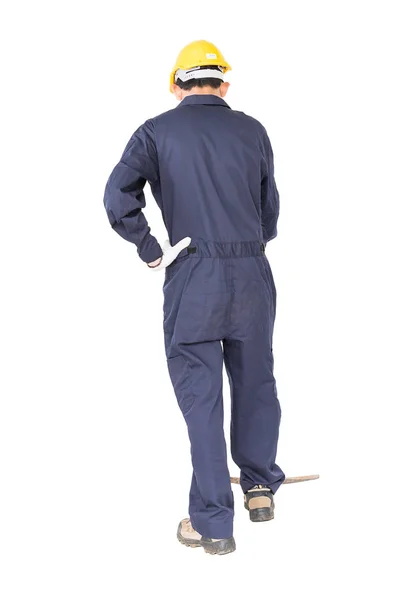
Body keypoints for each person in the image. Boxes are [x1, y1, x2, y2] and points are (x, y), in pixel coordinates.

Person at [103, 40, 284, 555]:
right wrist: (248, 245)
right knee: (256, 381)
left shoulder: (156, 131)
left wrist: (150, 247)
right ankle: (258, 488)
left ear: (175, 85)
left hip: (193, 270)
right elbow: (269, 208)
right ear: (224, 84)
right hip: (252, 271)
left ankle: (213, 524)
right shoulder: (252, 130)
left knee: (201, 400)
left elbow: (118, 195)